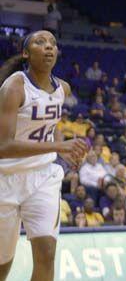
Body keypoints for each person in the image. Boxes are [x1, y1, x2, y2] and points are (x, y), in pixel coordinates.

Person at [0, 30, 88, 281]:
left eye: (53, 44)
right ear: (26, 53)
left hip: (42, 177)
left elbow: (45, 131)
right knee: (2, 264)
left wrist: (67, 147)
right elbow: (3, 146)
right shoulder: (14, 86)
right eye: (40, 43)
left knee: (47, 254)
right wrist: (60, 147)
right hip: (5, 178)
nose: (49, 47)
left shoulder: (64, 89)